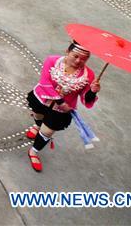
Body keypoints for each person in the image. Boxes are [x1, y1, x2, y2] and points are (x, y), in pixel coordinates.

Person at [25, 42, 100, 172]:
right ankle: (37, 126)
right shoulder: (52, 61)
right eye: (75, 56)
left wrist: (93, 91)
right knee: (38, 115)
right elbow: (44, 82)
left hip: (61, 111)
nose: (78, 61)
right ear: (67, 51)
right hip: (42, 99)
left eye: (83, 59)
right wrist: (60, 101)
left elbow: (85, 98)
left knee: (47, 132)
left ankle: (33, 151)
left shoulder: (88, 75)